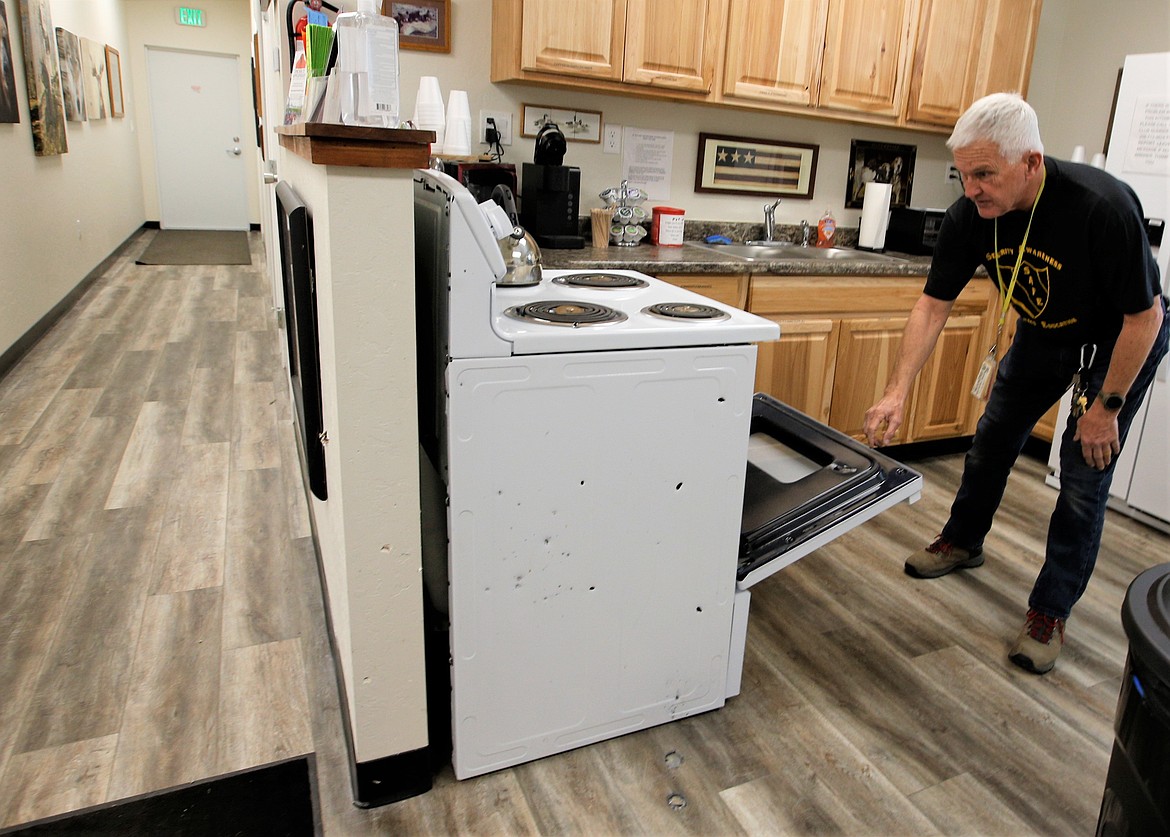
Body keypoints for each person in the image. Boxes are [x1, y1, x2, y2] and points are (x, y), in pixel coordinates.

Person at [863, 92, 1168, 675]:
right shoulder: (969, 217)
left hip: (1117, 345)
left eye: (985, 174)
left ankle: (1049, 612)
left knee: (1083, 478)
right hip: (1043, 333)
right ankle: (962, 540)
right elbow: (932, 306)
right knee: (992, 440)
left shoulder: (1099, 206)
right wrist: (897, 391)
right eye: (964, 174)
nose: (971, 187)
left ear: (1031, 162)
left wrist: (1106, 406)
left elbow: (1145, 318)